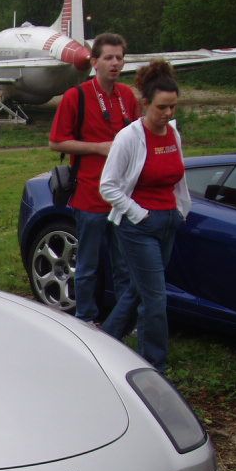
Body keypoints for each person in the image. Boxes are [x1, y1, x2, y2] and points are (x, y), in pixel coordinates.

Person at [99, 61, 189, 375]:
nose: (168, 114)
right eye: (162, 107)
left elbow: (178, 176)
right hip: (138, 226)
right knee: (155, 298)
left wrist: (179, 210)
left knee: (138, 290)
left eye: (173, 107)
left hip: (168, 221)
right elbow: (107, 186)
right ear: (145, 104)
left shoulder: (173, 133)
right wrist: (141, 215)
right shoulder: (129, 137)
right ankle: (155, 365)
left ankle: (102, 342)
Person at [49, 33, 140, 324]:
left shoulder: (127, 96)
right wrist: (98, 148)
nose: (115, 63)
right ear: (94, 61)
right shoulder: (77, 96)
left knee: (124, 264)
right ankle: (86, 317)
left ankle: (123, 320)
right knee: (88, 263)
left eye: (119, 58)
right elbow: (57, 142)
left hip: (123, 197)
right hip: (91, 194)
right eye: (109, 58)